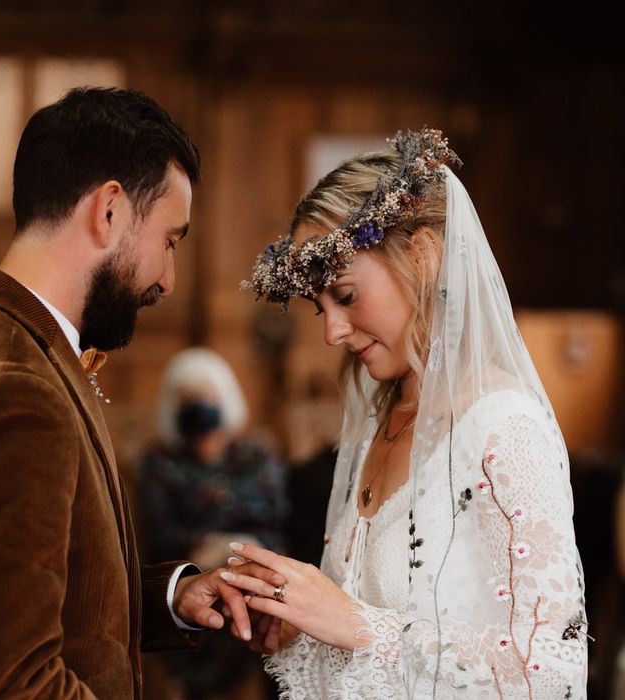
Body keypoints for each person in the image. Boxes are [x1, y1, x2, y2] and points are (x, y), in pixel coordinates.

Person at [0, 87, 281, 700]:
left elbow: (13, 601)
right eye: (170, 241)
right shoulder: (9, 392)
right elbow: (14, 684)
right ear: (109, 210)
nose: (168, 281)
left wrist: (173, 595)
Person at [221, 129, 588, 697]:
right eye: (319, 308)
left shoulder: (505, 430)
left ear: (422, 256)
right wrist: (302, 622)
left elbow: (549, 673)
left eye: (344, 296)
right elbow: (369, 641)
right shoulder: (378, 421)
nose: (331, 332)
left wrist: (356, 624)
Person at [137, 347, 288, 699]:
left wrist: (233, 547)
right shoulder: (158, 463)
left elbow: (274, 517)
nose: (199, 404)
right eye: (187, 397)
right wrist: (207, 548)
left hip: (253, 578)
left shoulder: (258, 454)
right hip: (192, 579)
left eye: (207, 394)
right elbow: (159, 533)